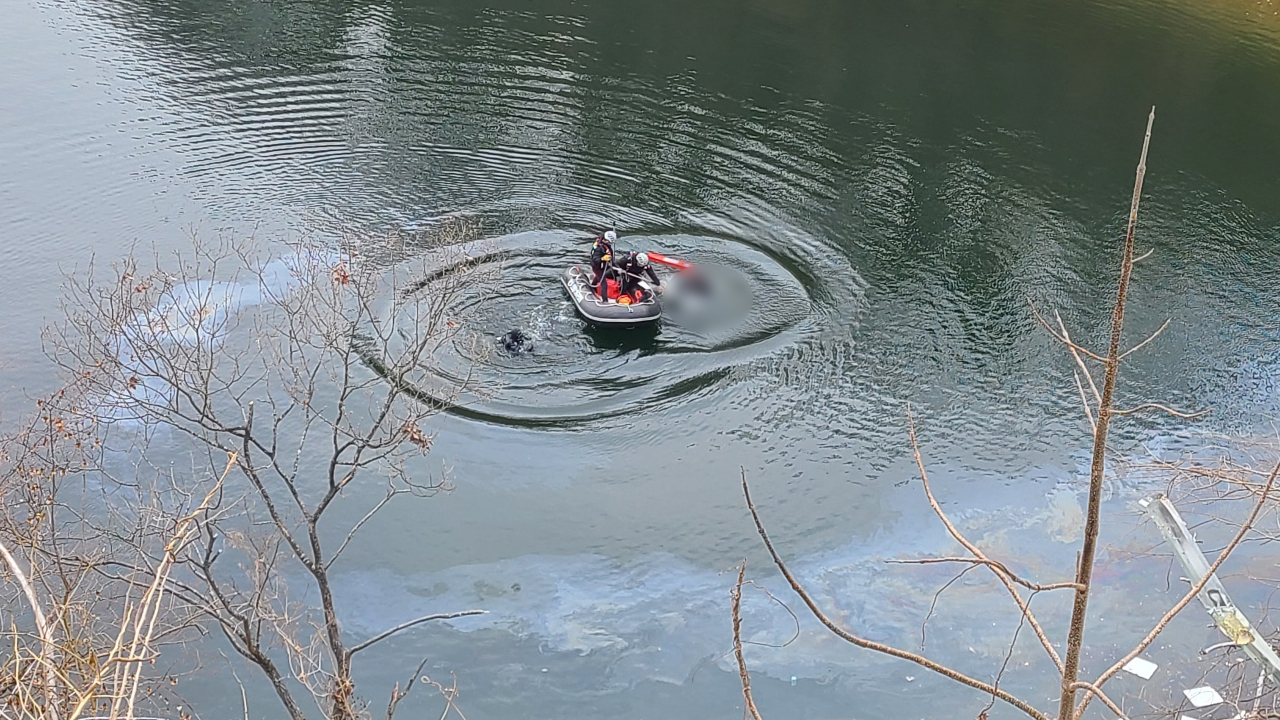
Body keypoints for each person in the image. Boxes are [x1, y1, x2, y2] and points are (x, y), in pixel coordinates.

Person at [590, 230, 616, 297]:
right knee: (604, 284)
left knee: (598, 276)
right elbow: (595, 259)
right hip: (597, 266)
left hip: (603, 264)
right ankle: (605, 300)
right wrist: (603, 258)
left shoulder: (605, 244)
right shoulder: (599, 248)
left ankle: (593, 286)